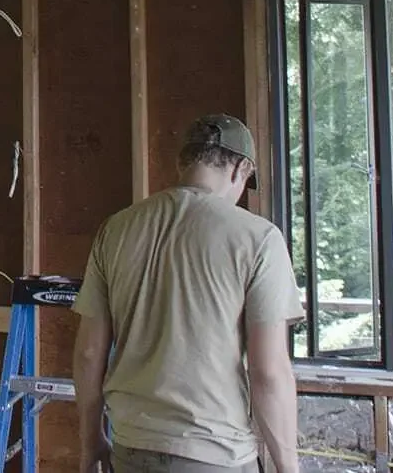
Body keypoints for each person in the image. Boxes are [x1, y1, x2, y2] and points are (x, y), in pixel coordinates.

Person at [70, 114, 302, 473]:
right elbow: (268, 371)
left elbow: (88, 353)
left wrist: (90, 442)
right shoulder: (258, 239)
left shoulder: (115, 230)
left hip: (130, 448)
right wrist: (288, 466)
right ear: (241, 168)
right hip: (215, 454)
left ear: (183, 161)